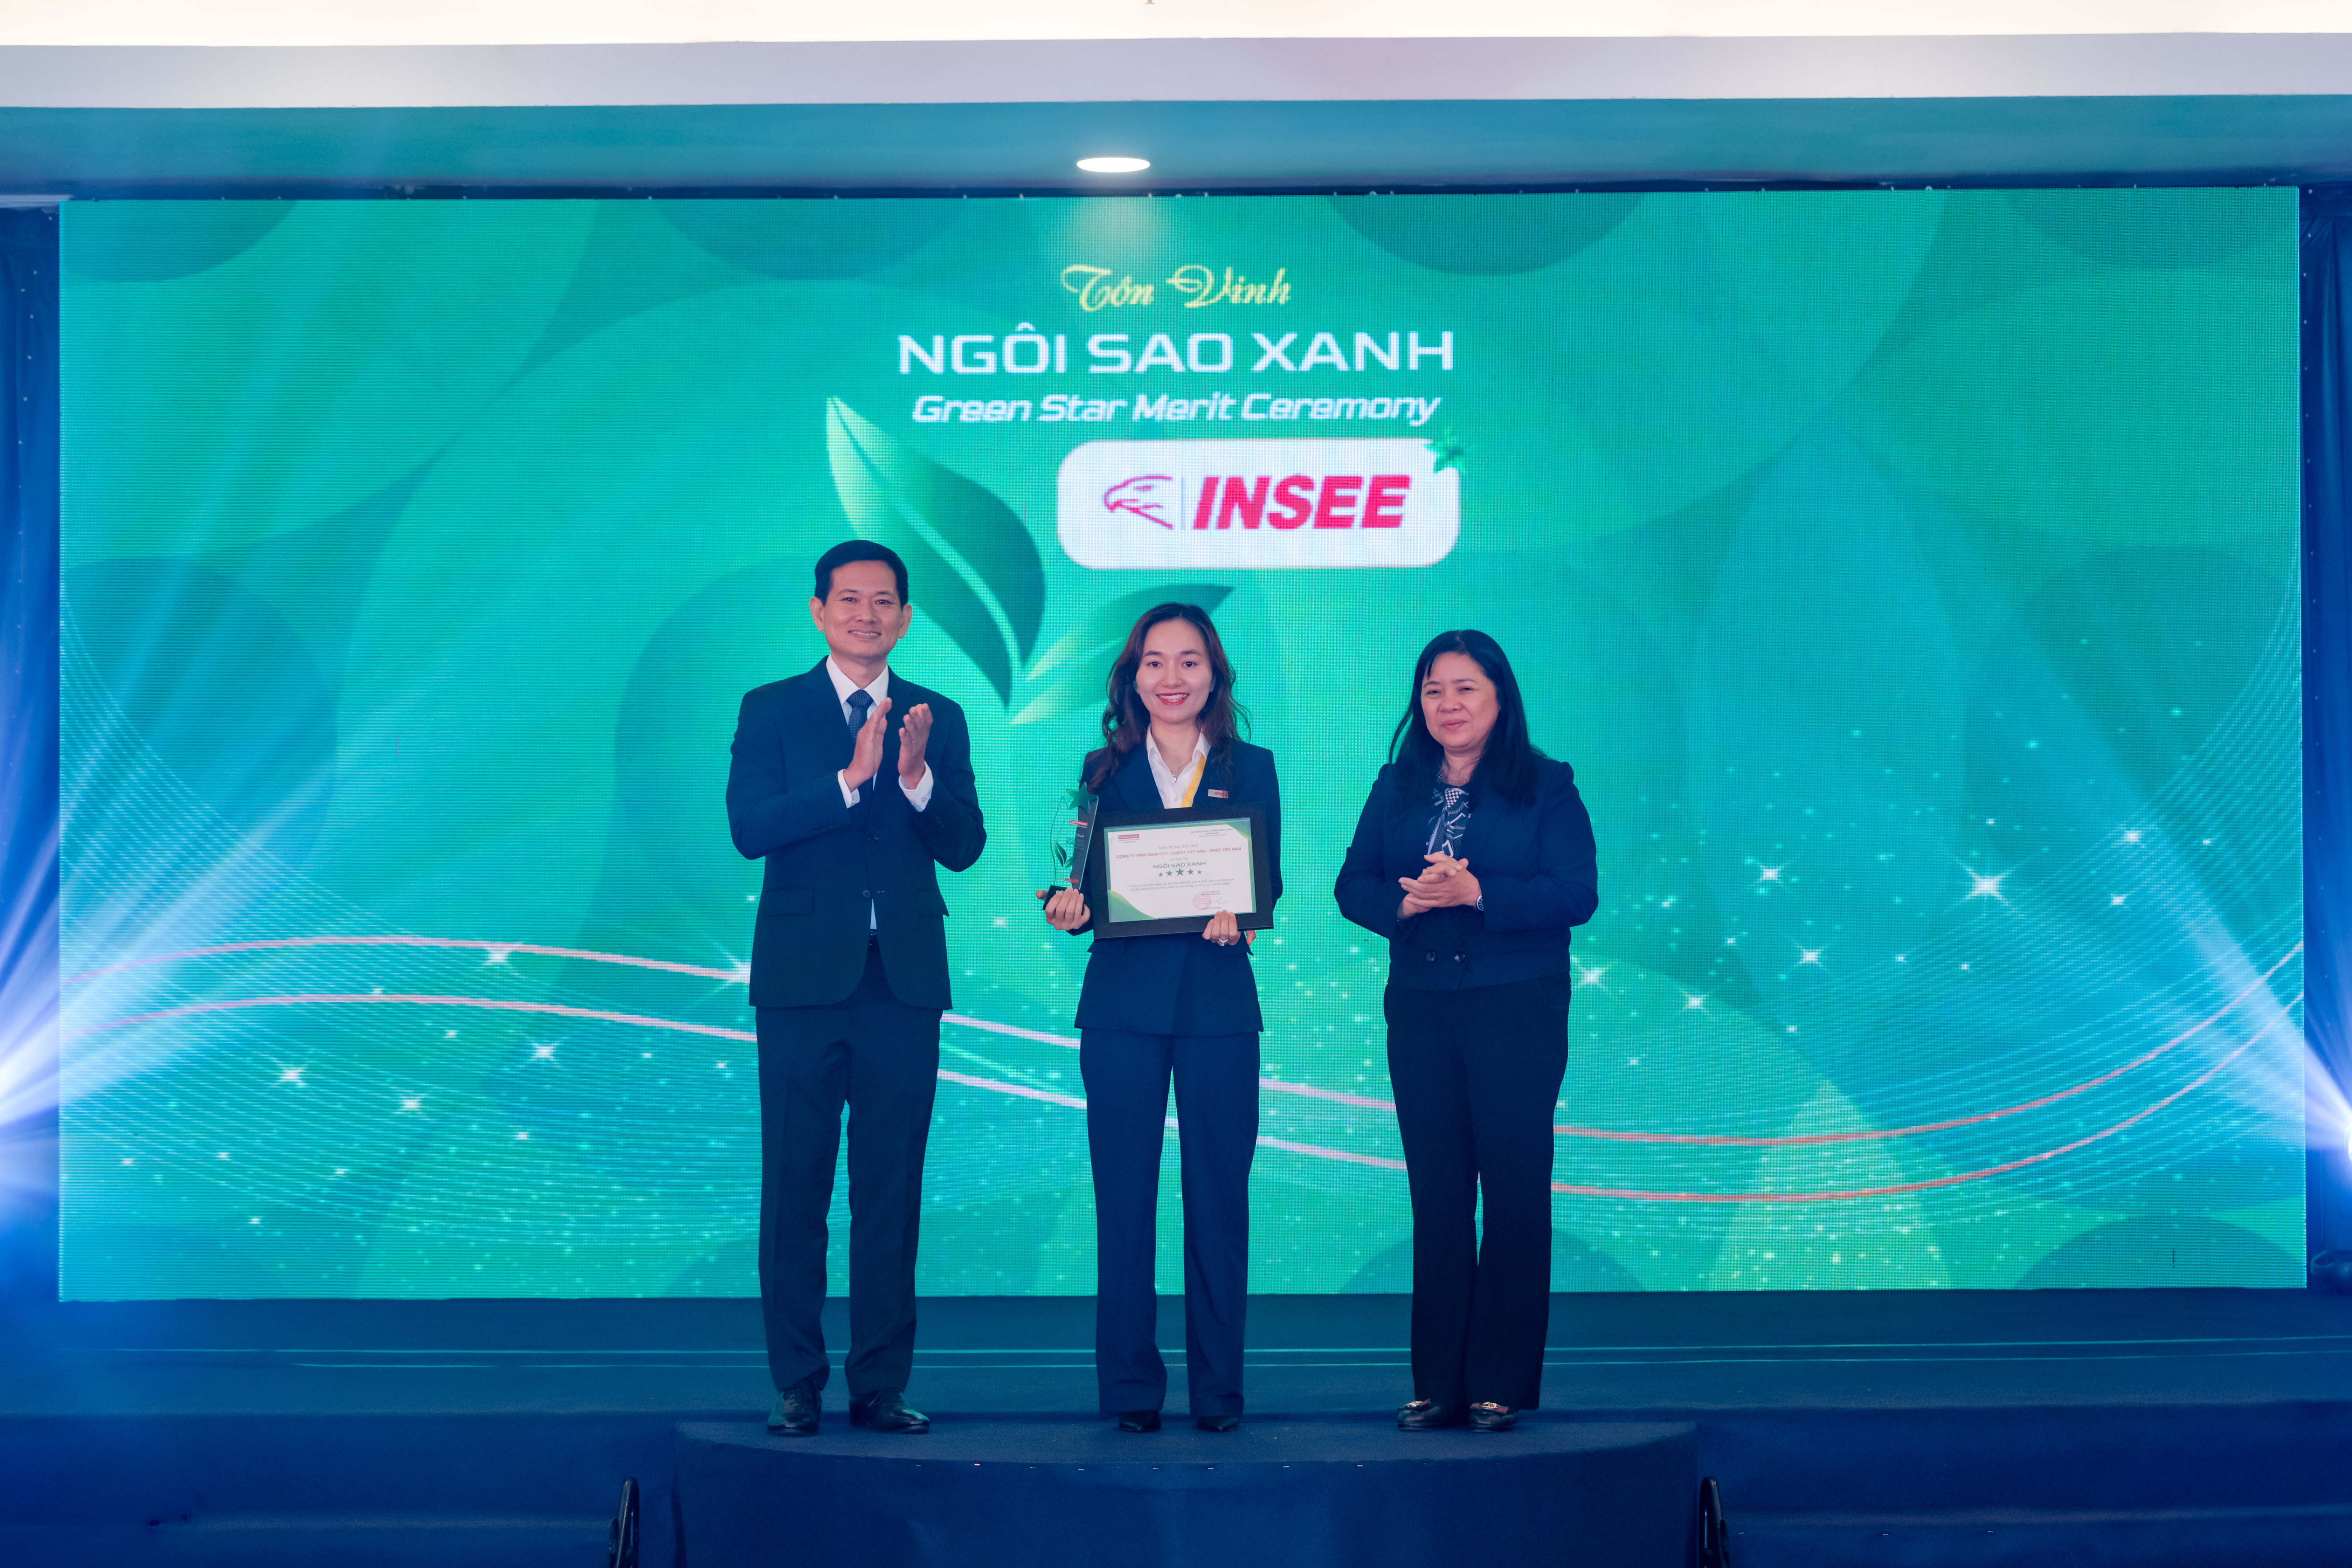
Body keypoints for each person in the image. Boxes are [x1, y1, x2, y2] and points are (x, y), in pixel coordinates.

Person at [726, 539, 986, 1436]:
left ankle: (879, 1384)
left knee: (889, 1188)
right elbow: (749, 827)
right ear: (818, 611)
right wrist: (848, 781)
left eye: (883, 602)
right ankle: (797, 1381)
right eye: (848, 599)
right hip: (801, 982)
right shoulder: (771, 709)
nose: (866, 615)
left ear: (905, 618)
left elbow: (965, 845)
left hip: (901, 984)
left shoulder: (937, 717)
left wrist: (914, 781)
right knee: (795, 1184)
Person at [1333, 629, 1597, 1433]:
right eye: (1433, 690)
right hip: (1421, 1007)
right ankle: (1438, 1383)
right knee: (1439, 1197)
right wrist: (1404, 903)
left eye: (1465, 688)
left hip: (1516, 1007)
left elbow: (1575, 893)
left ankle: (1499, 1382)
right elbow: (1352, 884)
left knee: (1513, 1193)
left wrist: (1477, 891)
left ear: (1499, 697)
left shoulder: (1547, 784)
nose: (1447, 704)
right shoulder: (1397, 785)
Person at [1038, 603, 1281, 1434]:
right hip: (1121, 1010)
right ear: (1131, 676)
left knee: (1219, 1202)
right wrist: (1067, 907)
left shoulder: (1251, 767)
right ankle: (1131, 1390)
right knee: (1123, 1201)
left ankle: (1218, 1392)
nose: (1170, 678)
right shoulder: (1099, 771)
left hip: (1218, 1006)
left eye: (1188, 661)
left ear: (1214, 675)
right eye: (1154, 662)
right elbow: (1075, 881)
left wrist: (1246, 912)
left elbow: (1267, 878)